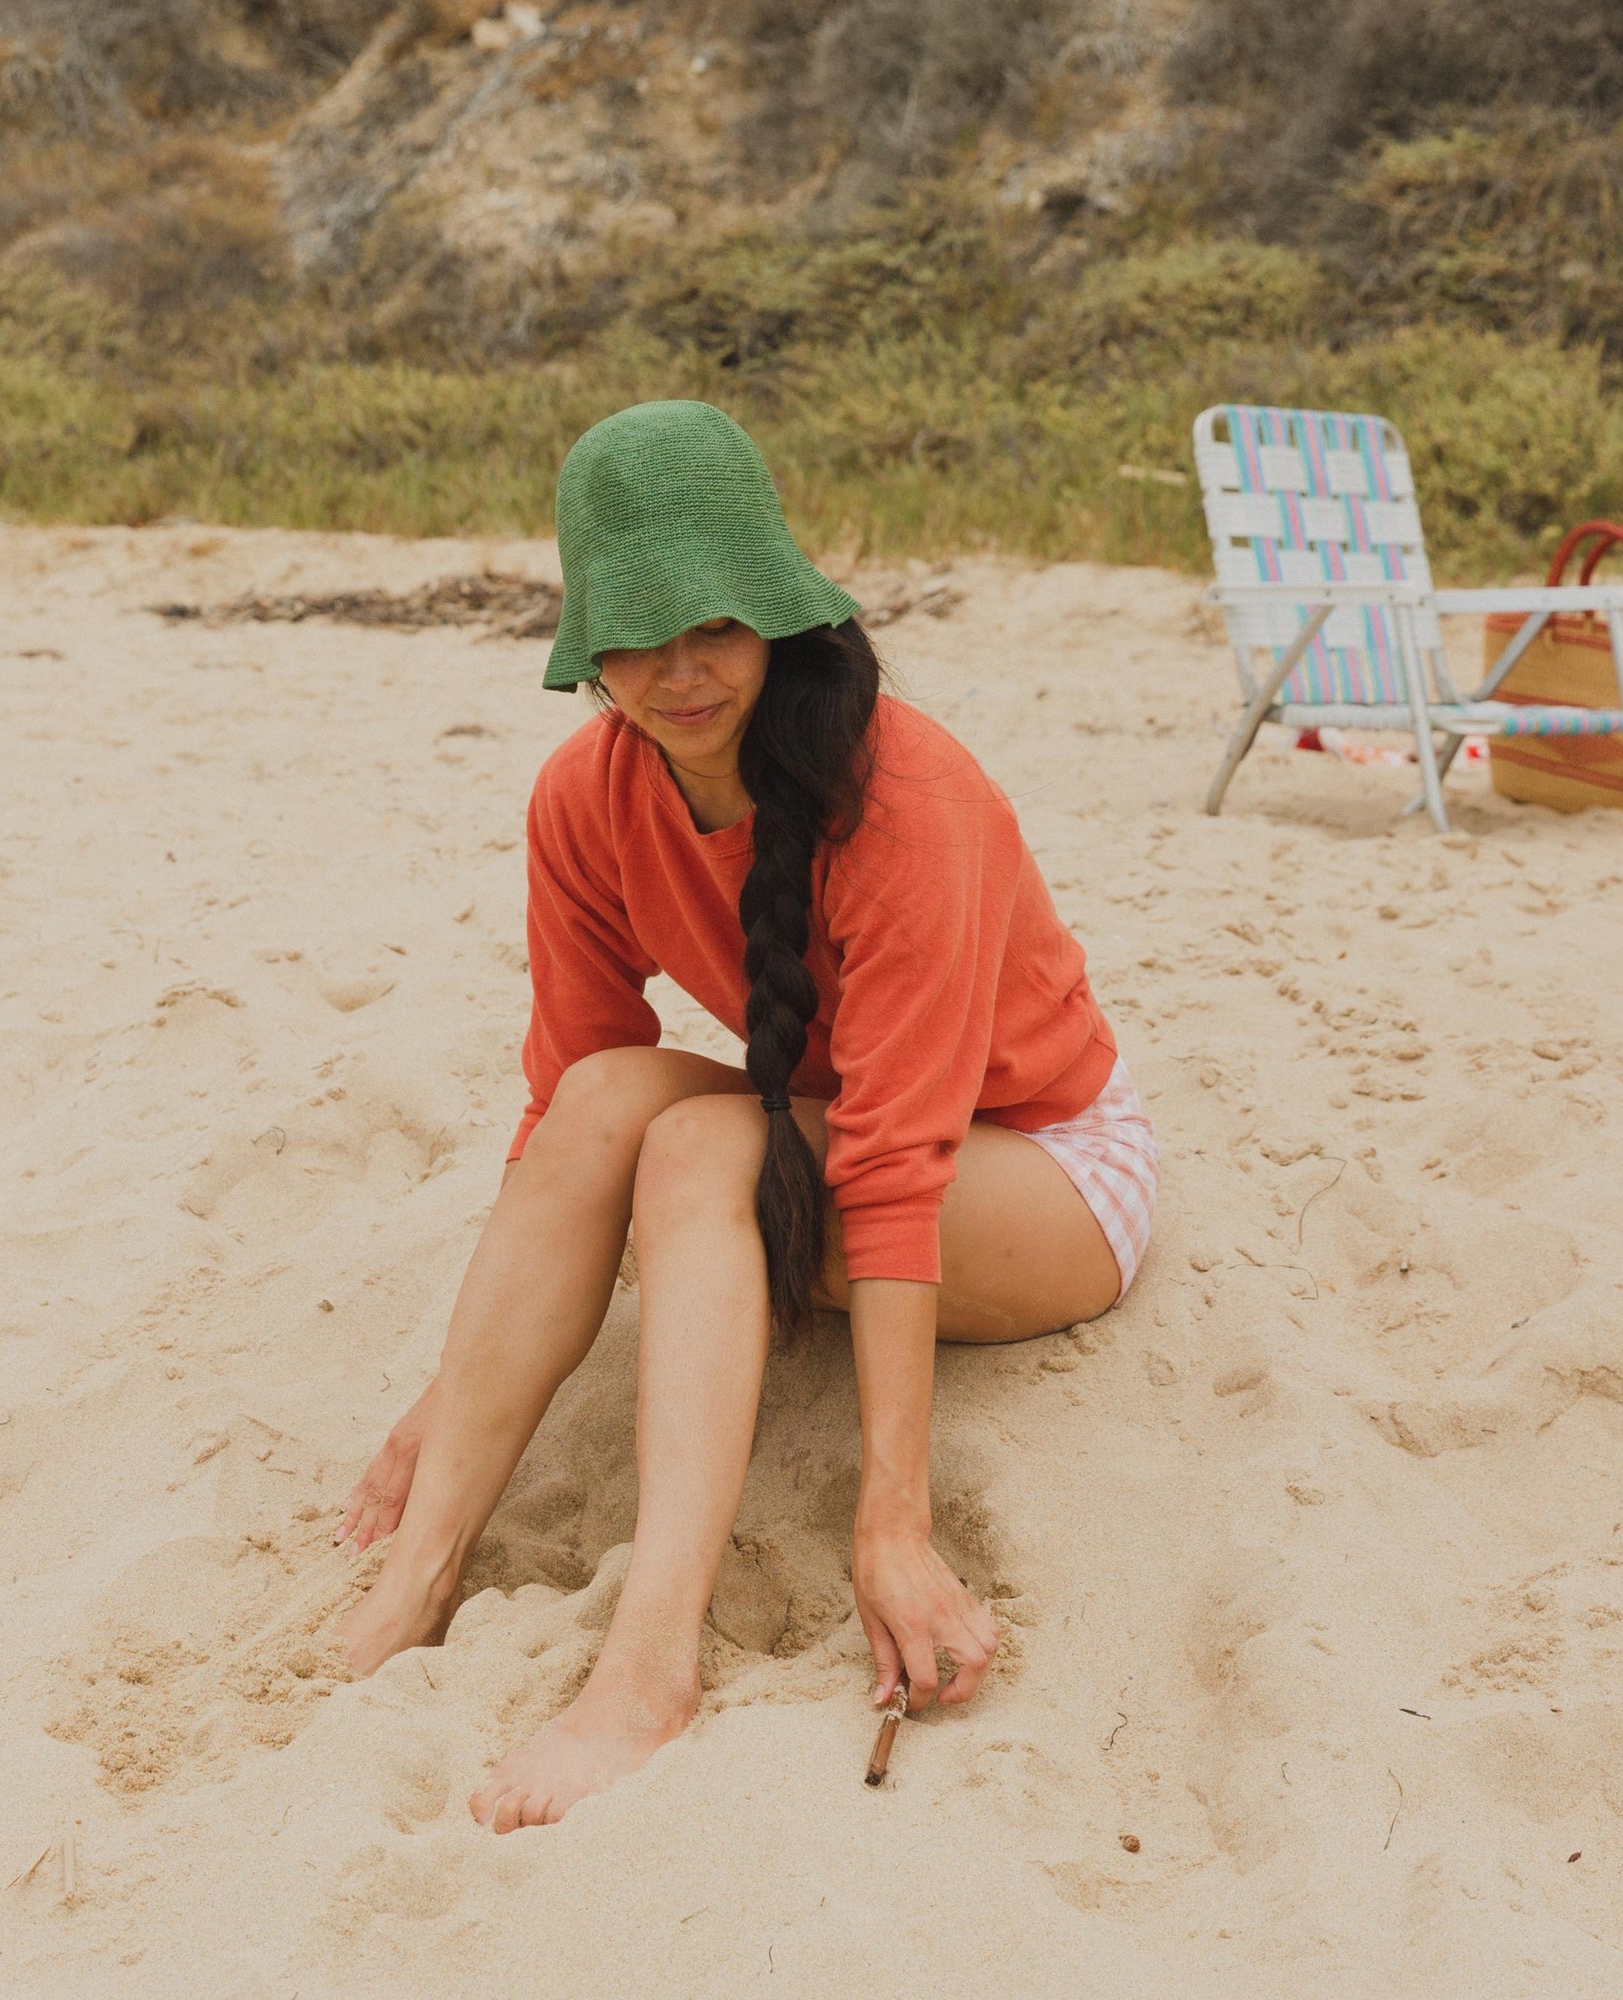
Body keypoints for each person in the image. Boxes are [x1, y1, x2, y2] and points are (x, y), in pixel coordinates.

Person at [332, 400, 1158, 1831]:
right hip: (835, 1125)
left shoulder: (908, 799)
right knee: (610, 1103)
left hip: (1046, 1170)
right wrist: (451, 1395)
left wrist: (891, 1522)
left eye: (714, 621)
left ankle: (647, 1669)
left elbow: (897, 1167)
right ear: (590, 646)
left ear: (780, 608)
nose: (683, 669)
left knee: (709, 1145)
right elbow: (569, 1096)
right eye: (639, 634)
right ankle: (420, 1571)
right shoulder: (585, 800)